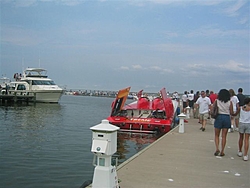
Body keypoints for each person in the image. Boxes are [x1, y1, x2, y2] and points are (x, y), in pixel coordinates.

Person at [214, 89, 235, 157]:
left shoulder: (217, 101)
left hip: (219, 117)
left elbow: (213, 109)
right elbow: (231, 112)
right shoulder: (230, 102)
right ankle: (222, 150)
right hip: (226, 117)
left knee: (217, 135)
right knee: (224, 136)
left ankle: (217, 148)